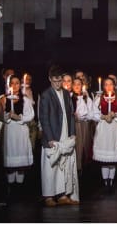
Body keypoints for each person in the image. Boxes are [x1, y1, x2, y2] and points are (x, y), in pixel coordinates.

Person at [39, 65, 79, 207]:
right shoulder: (46, 95)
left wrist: (72, 132)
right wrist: (49, 138)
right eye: (55, 81)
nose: (57, 84)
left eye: (59, 81)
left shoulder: (67, 94)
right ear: (50, 79)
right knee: (51, 167)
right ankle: (49, 196)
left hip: (65, 132)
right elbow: (44, 118)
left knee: (64, 165)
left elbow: (71, 115)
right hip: (52, 135)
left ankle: (62, 195)